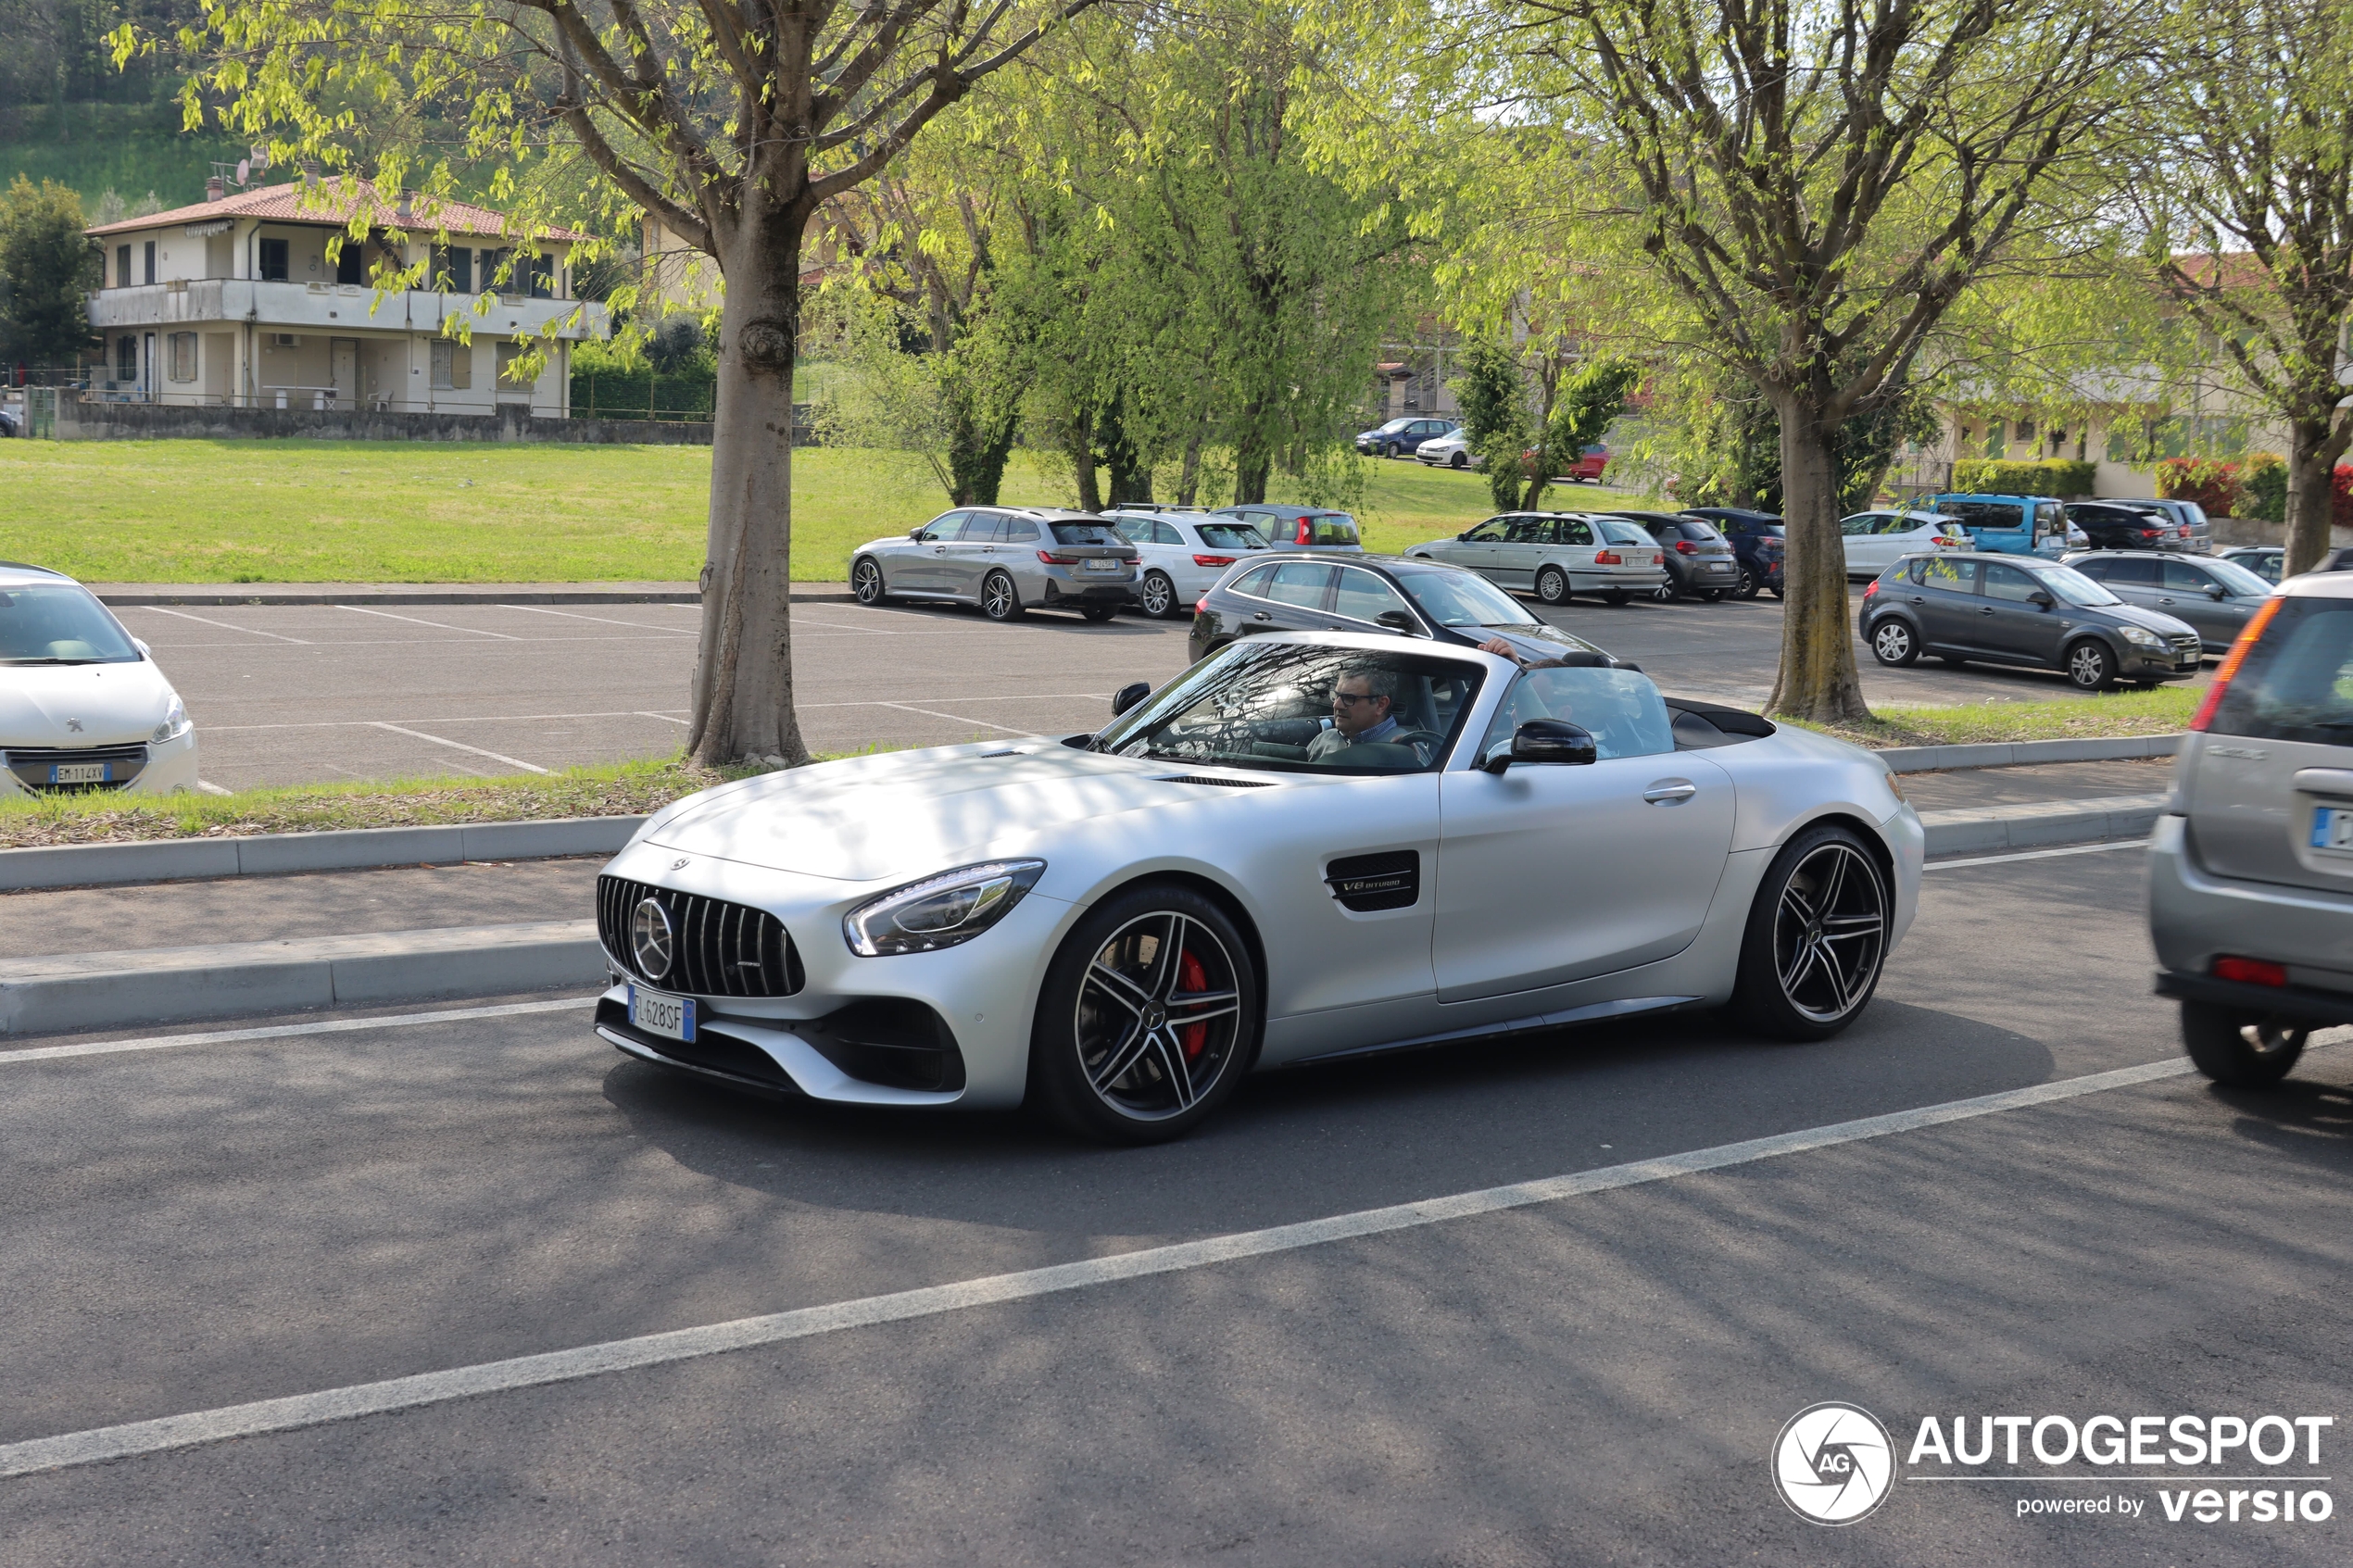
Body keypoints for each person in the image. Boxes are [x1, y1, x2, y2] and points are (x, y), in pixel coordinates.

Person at [1307, 664, 1432, 764]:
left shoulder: (1406, 749)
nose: (1337, 705)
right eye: (1336, 695)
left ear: (1381, 705)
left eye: (1350, 698)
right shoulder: (1323, 740)